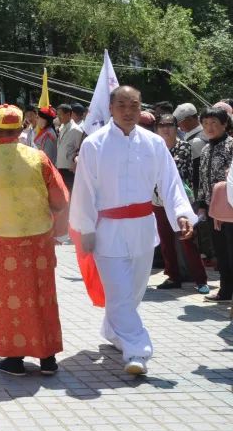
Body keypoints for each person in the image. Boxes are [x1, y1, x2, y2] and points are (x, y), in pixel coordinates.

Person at [69, 86, 196, 375]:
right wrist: (85, 228)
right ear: (110, 108)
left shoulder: (153, 143)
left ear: (141, 109)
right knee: (119, 293)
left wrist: (181, 214)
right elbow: (84, 191)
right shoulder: (94, 145)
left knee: (134, 293)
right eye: (122, 105)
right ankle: (138, 351)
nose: (128, 111)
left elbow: (170, 182)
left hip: (142, 228)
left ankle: (114, 331)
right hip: (107, 231)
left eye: (134, 105)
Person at [0, 104, 70, 376]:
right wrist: (54, 229)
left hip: (3, 240)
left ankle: (14, 359)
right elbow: (60, 198)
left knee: (8, 297)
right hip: (39, 239)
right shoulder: (39, 158)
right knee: (42, 295)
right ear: (22, 128)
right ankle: (48, 358)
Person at [152, 114, 210, 293]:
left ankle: (201, 280)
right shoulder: (153, 147)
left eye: (170, 125)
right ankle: (172, 276)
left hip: (178, 200)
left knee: (187, 239)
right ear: (157, 128)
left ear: (176, 127)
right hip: (157, 200)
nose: (166, 128)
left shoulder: (184, 146)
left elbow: (181, 172)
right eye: (162, 125)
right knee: (166, 240)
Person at [197, 107, 233, 304]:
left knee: (230, 249)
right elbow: (202, 180)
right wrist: (202, 204)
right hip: (213, 209)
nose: (209, 128)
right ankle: (225, 290)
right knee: (220, 251)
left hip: (230, 209)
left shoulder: (231, 146)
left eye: (214, 123)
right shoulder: (205, 149)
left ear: (224, 124)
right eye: (206, 123)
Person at [55, 103, 83, 190]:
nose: (58, 117)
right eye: (57, 114)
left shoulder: (76, 130)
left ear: (68, 114)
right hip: (59, 166)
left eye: (60, 114)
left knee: (68, 192)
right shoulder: (62, 127)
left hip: (69, 169)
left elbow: (80, 150)